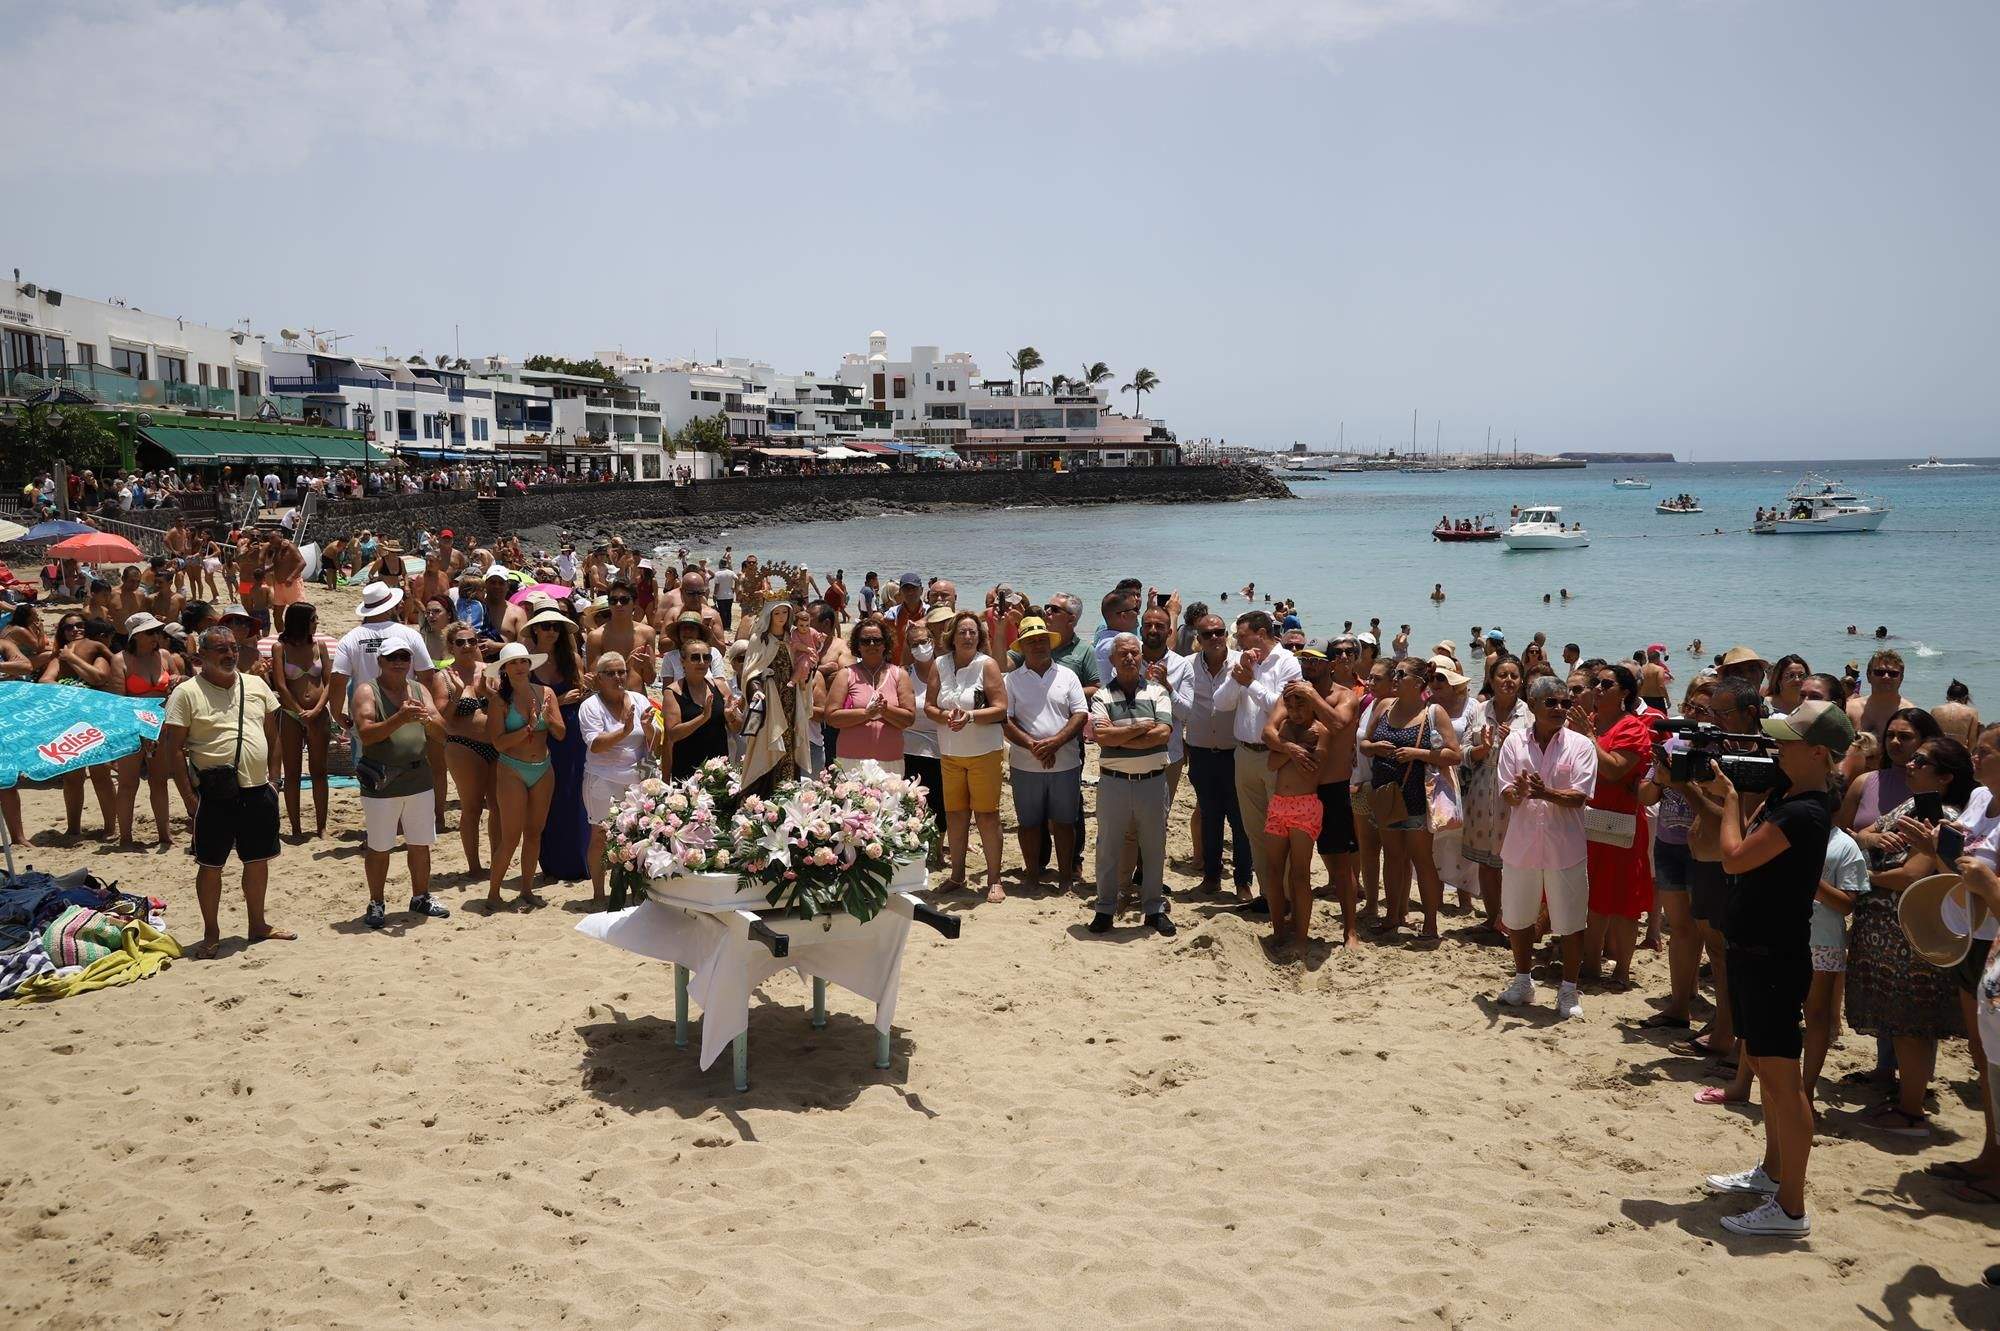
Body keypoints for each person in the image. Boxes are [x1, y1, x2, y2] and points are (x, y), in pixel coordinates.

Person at [1701, 699, 1851, 1239]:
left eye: (1788, 741)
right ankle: (1772, 1171)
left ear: (1818, 753)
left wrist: (1731, 799)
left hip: (1773, 956)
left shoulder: (1804, 812)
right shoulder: (1789, 798)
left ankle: (1791, 1208)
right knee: (1766, 1068)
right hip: (1756, 950)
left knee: (1785, 1083)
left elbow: (1734, 857)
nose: (1776, 748)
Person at [1844, 735, 1974, 1137]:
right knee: (1896, 1018)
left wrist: (1863, 876)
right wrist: (1867, 842)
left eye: (1921, 761)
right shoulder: (1912, 805)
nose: (1911, 765)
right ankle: (1896, 1087)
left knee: (1911, 1024)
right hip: (1885, 930)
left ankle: (1911, 1109)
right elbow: (1862, 833)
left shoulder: (1943, 818)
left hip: (1908, 934)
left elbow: (1913, 875)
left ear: (1945, 777)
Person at [156, 625, 293, 960]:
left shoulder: (256, 685)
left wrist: (275, 781)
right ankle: (211, 934)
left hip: (258, 789)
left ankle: (258, 925)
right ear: (201, 655)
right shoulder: (187, 693)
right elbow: (174, 749)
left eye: (233, 648)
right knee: (211, 865)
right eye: (221, 649)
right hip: (214, 793)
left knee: (258, 860)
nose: (230, 654)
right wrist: (189, 799)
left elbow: (273, 735)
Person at [1495, 676, 1598, 1018]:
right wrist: (1521, 792)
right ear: (1533, 704)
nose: (1560, 709)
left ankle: (1568, 990)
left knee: (1570, 922)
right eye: (1551, 702)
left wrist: (1544, 793)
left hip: (1564, 848)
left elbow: (1580, 796)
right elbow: (1508, 794)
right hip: (1522, 845)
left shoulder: (1581, 745)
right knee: (1517, 918)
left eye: (1565, 703)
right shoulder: (1514, 742)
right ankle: (1522, 982)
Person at [1357, 657, 1460, 939]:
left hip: (1417, 797)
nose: (1395, 677)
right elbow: (1364, 743)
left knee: (1421, 859)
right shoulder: (1384, 706)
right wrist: (1374, 748)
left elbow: (1454, 754)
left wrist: (1418, 754)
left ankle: (1430, 924)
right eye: (1395, 673)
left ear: (1418, 682)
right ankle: (1392, 916)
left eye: (1401, 674)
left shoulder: (1433, 712)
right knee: (1392, 858)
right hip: (1386, 795)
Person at [351, 641, 450, 928]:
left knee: (420, 843)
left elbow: (442, 732)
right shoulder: (367, 691)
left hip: (419, 778)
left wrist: (426, 721)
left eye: (404, 657)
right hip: (382, 781)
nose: (398, 662)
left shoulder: (419, 690)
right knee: (380, 847)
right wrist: (400, 718)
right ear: (380, 661)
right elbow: (366, 734)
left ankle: (421, 896)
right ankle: (376, 902)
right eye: (392, 657)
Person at [1087, 634, 1175, 937]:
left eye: (1134, 653)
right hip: (1114, 783)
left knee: (1154, 848)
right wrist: (1140, 727)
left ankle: (1153, 909)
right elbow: (1102, 737)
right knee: (1107, 848)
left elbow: (1163, 733)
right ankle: (1104, 909)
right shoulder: (1101, 696)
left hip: (1152, 782)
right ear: (1112, 659)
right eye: (1123, 653)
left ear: (1141, 657)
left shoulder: (1158, 691)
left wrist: (1120, 736)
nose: (1129, 658)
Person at [1212, 610, 1302, 910]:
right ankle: (1268, 894)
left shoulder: (1287, 662)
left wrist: (1250, 682)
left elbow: (1285, 707)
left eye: (1242, 635)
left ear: (1261, 634)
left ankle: (1287, 896)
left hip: (1275, 756)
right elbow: (1221, 703)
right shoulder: (1243, 662)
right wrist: (1238, 676)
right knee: (1255, 830)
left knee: (1281, 830)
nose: (1237, 640)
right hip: (1244, 754)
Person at [1580, 662, 1655, 987]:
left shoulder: (1632, 728)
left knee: (1624, 900)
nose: (1598, 689)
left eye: (1606, 685)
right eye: (1596, 683)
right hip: (1588, 819)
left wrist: (1589, 738)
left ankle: (1622, 970)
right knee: (1591, 896)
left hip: (1621, 823)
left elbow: (1613, 769)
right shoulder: (1591, 721)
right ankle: (1591, 965)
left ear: (1624, 692)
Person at [925, 610, 1008, 902]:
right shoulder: (939, 664)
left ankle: (994, 879)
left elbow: (1000, 708)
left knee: (987, 816)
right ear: (952, 636)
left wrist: (970, 716)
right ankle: (957, 875)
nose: (968, 636)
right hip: (950, 753)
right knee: (956, 815)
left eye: (973, 632)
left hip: (984, 752)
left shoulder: (987, 665)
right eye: (962, 632)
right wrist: (945, 716)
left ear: (980, 636)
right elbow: (929, 706)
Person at [1002, 615, 1088, 890]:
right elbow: (1006, 720)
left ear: (1050, 643)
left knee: (1064, 822)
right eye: (1031, 641)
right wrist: (1033, 746)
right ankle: (1032, 876)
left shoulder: (1068, 675)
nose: (1038, 645)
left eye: (1042, 640)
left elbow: (1080, 714)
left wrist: (1056, 742)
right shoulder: (1011, 680)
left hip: (1065, 761)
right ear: (1022, 647)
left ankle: (1065, 877)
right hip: (1025, 763)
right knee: (1028, 823)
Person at [579, 651, 660, 907]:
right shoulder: (590, 706)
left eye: (621, 672)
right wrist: (624, 730)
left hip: (638, 779)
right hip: (603, 779)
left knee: (638, 835)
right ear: (599, 678)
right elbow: (595, 745)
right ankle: (598, 894)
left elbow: (655, 741)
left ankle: (636, 891)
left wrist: (648, 729)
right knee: (600, 835)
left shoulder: (639, 699)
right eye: (611, 673)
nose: (618, 677)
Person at [486, 641, 562, 911]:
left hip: (542, 767)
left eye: (523, 661)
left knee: (534, 833)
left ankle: (527, 889)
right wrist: (528, 728)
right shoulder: (499, 701)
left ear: (530, 665)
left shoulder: (546, 693)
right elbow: (498, 743)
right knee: (510, 837)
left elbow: (560, 733)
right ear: (504, 669)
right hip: (512, 768)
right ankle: (494, 893)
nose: (519, 667)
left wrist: (547, 719)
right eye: (513, 663)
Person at [1183, 612, 1253, 899]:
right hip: (1200, 753)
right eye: (1207, 634)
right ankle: (1211, 877)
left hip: (1235, 753)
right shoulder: (1187, 666)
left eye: (1219, 632)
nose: (1214, 637)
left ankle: (1243, 881)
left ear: (1227, 634)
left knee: (1240, 820)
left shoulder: (1241, 664)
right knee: (1209, 817)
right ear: (1197, 638)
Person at [1463, 654, 1531, 939]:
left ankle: (1511, 921)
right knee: (1486, 862)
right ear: (1491, 680)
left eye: (1514, 675)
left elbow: (1536, 757)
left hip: (1514, 794)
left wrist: (1512, 742)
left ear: (1522, 681)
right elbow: (1463, 751)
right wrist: (1481, 750)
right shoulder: (1478, 710)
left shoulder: (1529, 714)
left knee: (1512, 863)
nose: (1508, 680)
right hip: (1481, 791)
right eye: (1502, 675)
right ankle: (1492, 919)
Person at [1263, 681, 1335, 947]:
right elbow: (1271, 764)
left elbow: (1313, 769)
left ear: (1312, 705)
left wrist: (1287, 748)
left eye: (1300, 705)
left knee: (1300, 874)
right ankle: (1279, 931)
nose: (1295, 712)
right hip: (1279, 804)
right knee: (1273, 871)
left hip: (1305, 805)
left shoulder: (1321, 731)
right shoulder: (1285, 727)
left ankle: (1302, 938)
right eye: (1290, 707)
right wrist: (1293, 748)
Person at [111, 612, 183, 849]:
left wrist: (178, 679)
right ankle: (126, 838)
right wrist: (140, 732)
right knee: (128, 784)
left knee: (159, 782)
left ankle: (164, 834)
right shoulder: (120, 660)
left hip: (161, 727)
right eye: (151, 632)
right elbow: (119, 702)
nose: (156, 636)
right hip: (131, 728)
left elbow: (180, 684)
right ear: (136, 636)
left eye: (157, 631)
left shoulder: (164, 656)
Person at [436, 621, 500, 875]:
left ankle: (497, 862)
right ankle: (474, 866)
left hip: (495, 744)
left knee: (497, 807)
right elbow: (442, 719)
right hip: (463, 745)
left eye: (471, 641)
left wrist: (488, 693)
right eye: (460, 642)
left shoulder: (490, 670)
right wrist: (457, 693)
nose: (466, 646)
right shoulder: (444, 677)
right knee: (471, 807)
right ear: (450, 646)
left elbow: (504, 708)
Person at [271, 602, 333, 841]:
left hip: (318, 714)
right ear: (301, 622)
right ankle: (296, 827)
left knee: (320, 771)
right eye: (313, 619)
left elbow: (328, 682)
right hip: (291, 715)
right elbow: (281, 685)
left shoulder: (320, 646)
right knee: (292, 772)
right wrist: (300, 712)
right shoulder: (280, 648)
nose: (317, 622)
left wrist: (316, 710)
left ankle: (321, 826)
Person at [827, 618, 914, 774]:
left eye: (877, 640)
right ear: (858, 645)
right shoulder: (845, 674)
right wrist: (866, 713)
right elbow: (831, 717)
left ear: (885, 643)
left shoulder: (900, 675)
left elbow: (908, 719)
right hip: (851, 760)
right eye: (866, 641)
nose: (872, 644)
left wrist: (886, 710)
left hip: (890, 760)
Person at [662, 634, 735, 779]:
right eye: (695, 657)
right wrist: (703, 717)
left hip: (718, 769)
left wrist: (731, 718)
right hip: (687, 770)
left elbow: (738, 728)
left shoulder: (720, 687)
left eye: (706, 657)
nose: (702, 662)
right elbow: (672, 734)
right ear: (683, 661)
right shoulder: (672, 692)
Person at [1847, 649, 1911, 747]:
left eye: (1893, 674)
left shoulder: (1910, 714)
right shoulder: (1850, 710)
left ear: (1901, 678)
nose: (1886, 677)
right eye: (1879, 672)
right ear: (1868, 676)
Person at [1934, 680, 1981, 748]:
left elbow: (1931, 736)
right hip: (1958, 750)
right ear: (1965, 697)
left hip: (1938, 748)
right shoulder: (1972, 712)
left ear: (1947, 697)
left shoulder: (1935, 710)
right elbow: (1972, 740)